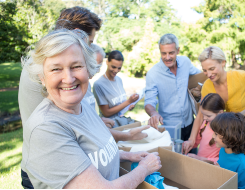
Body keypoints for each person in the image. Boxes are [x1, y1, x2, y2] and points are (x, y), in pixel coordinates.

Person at [21, 29, 162, 189]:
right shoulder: (45, 128)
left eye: (76, 66)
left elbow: (93, 155)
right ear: (42, 78)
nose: (68, 78)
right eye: (56, 69)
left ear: (88, 70)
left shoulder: (81, 106)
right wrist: (144, 169)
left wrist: (129, 155)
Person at [182, 46, 245, 181]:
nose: (208, 74)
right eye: (205, 70)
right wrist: (192, 139)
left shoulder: (242, 77)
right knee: (226, 178)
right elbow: (200, 115)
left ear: (223, 63)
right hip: (226, 144)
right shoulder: (207, 86)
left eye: (212, 69)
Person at [144, 33, 201, 142]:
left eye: (171, 53)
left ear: (178, 50)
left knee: (193, 157)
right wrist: (154, 113)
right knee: (174, 158)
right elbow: (149, 102)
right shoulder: (153, 74)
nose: (167, 57)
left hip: (190, 123)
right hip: (169, 128)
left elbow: (200, 77)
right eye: (163, 53)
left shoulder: (185, 62)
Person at [93, 50, 139, 123]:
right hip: (110, 125)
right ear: (107, 62)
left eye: (119, 68)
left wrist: (129, 106)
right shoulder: (99, 84)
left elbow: (120, 104)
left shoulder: (119, 80)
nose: (116, 70)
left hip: (121, 121)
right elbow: (106, 113)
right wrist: (129, 101)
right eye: (113, 67)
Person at [211, 112, 245, 189]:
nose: (213, 136)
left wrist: (222, 178)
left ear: (230, 136)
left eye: (216, 134)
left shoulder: (243, 166)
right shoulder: (222, 150)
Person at [186, 93, 224, 164]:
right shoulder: (206, 123)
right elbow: (196, 142)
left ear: (220, 112)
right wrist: (188, 144)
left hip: (211, 167)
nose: (204, 118)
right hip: (200, 163)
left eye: (208, 116)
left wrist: (201, 159)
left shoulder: (224, 132)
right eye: (203, 115)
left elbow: (222, 160)